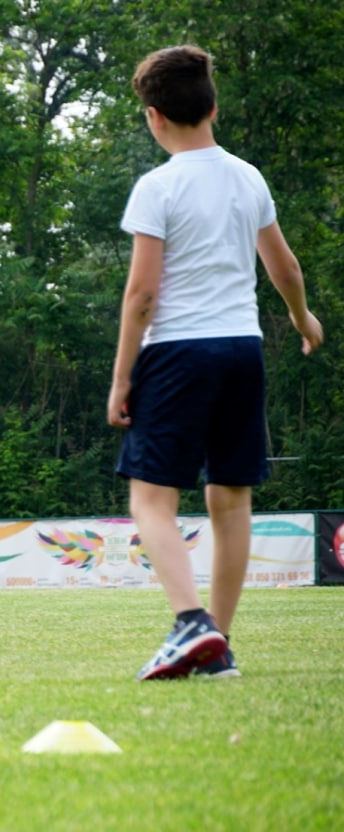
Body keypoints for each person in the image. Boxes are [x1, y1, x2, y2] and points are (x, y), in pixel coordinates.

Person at [107, 46, 324, 681]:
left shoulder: (158, 186)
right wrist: (302, 317)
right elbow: (283, 267)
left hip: (177, 352)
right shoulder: (247, 177)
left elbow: (142, 296)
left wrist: (123, 378)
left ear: (154, 118)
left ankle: (190, 623)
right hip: (242, 349)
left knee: (151, 498)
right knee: (231, 499)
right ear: (213, 106)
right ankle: (218, 647)